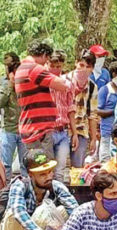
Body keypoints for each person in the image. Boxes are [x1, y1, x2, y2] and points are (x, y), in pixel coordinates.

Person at [0, 149, 78, 230]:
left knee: (63, 211)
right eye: (42, 174)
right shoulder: (19, 185)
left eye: (50, 171)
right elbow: (19, 212)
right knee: (13, 213)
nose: (48, 177)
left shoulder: (56, 186)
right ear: (30, 174)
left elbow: (75, 210)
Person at [14, 39, 68, 156]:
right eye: (46, 60)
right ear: (43, 55)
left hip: (32, 127)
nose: (45, 65)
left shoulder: (21, 68)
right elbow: (63, 85)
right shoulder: (34, 68)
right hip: (38, 130)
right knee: (44, 169)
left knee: (37, 169)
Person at [62, 50, 100, 168]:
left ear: (92, 68)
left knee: (77, 169)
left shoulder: (92, 86)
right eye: (81, 65)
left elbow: (92, 114)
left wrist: (93, 138)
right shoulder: (63, 81)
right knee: (59, 168)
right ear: (76, 63)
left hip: (81, 130)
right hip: (63, 130)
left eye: (87, 67)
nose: (84, 69)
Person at [47, 50, 78, 183]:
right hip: (47, 131)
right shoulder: (43, 82)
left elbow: (71, 108)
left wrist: (74, 133)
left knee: (60, 169)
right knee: (46, 168)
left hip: (62, 131)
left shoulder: (68, 83)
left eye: (58, 66)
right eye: (52, 66)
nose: (55, 69)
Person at [0, 56, 27, 179]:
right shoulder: (4, 87)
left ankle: (26, 186)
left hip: (24, 130)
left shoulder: (26, 88)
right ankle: (5, 189)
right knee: (6, 164)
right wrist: (10, 86)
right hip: (8, 129)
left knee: (25, 163)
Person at [97, 62, 117, 162]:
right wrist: (115, 110)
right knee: (105, 161)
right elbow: (98, 111)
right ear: (114, 74)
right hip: (107, 131)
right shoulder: (105, 90)